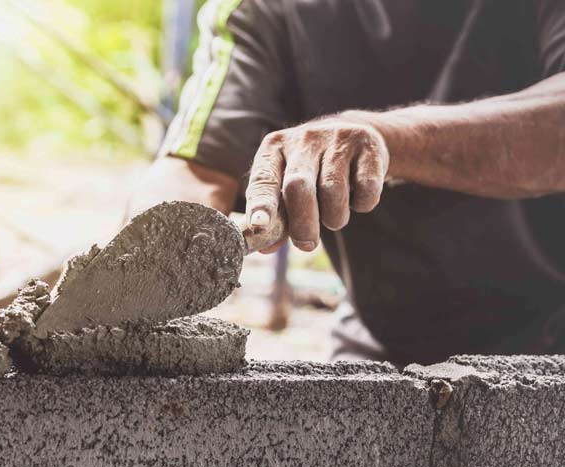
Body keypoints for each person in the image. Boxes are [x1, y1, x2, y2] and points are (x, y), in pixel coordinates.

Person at [129, 0, 565, 365]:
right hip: (388, 340)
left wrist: (390, 142)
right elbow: (196, 170)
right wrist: (139, 275)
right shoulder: (262, 9)